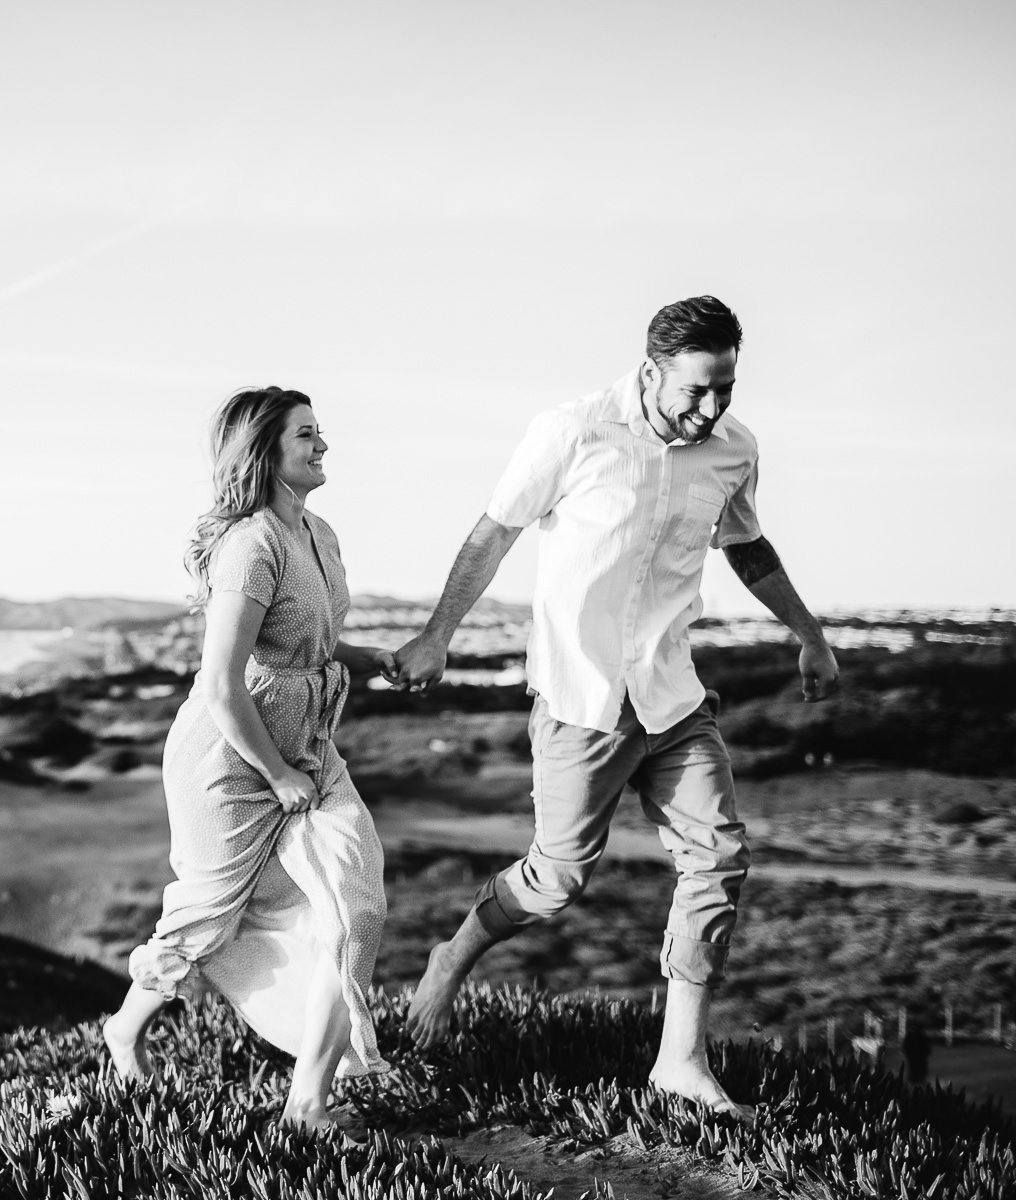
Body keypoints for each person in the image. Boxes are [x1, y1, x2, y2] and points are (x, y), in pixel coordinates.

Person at [387, 296, 839, 1120]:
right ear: (650, 372)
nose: (711, 409)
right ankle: (452, 957)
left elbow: (747, 545)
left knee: (719, 858)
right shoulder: (572, 430)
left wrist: (809, 634)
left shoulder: (734, 450)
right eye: (696, 391)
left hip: (672, 693)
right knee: (557, 879)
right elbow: (493, 533)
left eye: (726, 390)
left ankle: (681, 1060)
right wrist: (435, 635)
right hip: (580, 696)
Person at [103, 386, 396, 1133]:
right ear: (264, 453)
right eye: (306, 435)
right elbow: (224, 687)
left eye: (320, 430)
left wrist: (379, 659)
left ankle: (309, 1101)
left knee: (354, 908)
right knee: (207, 917)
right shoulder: (250, 545)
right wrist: (276, 775)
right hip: (228, 763)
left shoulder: (321, 534)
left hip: (310, 744)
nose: (323, 444)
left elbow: (314, 647)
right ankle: (124, 1030)